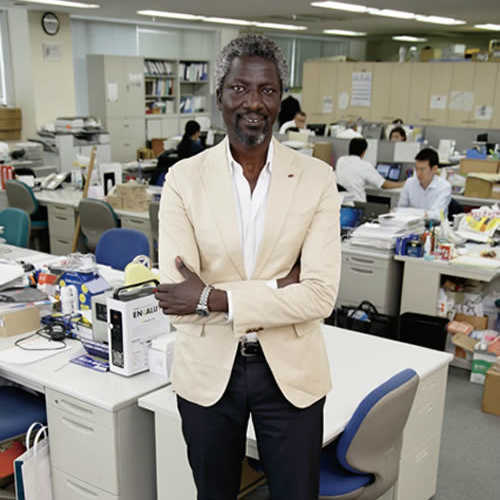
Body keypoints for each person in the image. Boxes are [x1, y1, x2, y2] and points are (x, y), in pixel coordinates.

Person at [155, 34, 340, 500]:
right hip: (207, 368)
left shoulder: (317, 179)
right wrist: (280, 286)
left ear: (280, 99)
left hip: (291, 371)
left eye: (267, 90)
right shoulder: (183, 179)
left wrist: (212, 297)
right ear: (220, 95)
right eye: (240, 88)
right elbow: (176, 300)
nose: (253, 102)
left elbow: (320, 296)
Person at [336, 137, 404, 202]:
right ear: (364, 152)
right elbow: (384, 185)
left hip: (340, 202)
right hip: (357, 204)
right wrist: (402, 184)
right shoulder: (364, 165)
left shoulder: (341, 160)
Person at [398, 148, 451, 219]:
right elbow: (400, 210)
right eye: (417, 169)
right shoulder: (409, 183)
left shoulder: (444, 187)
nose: (418, 173)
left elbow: (437, 215)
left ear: (434, 169)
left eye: (422, 169)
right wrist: (424, 213)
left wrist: (410, 212)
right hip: (410, 223)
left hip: (434, 225)